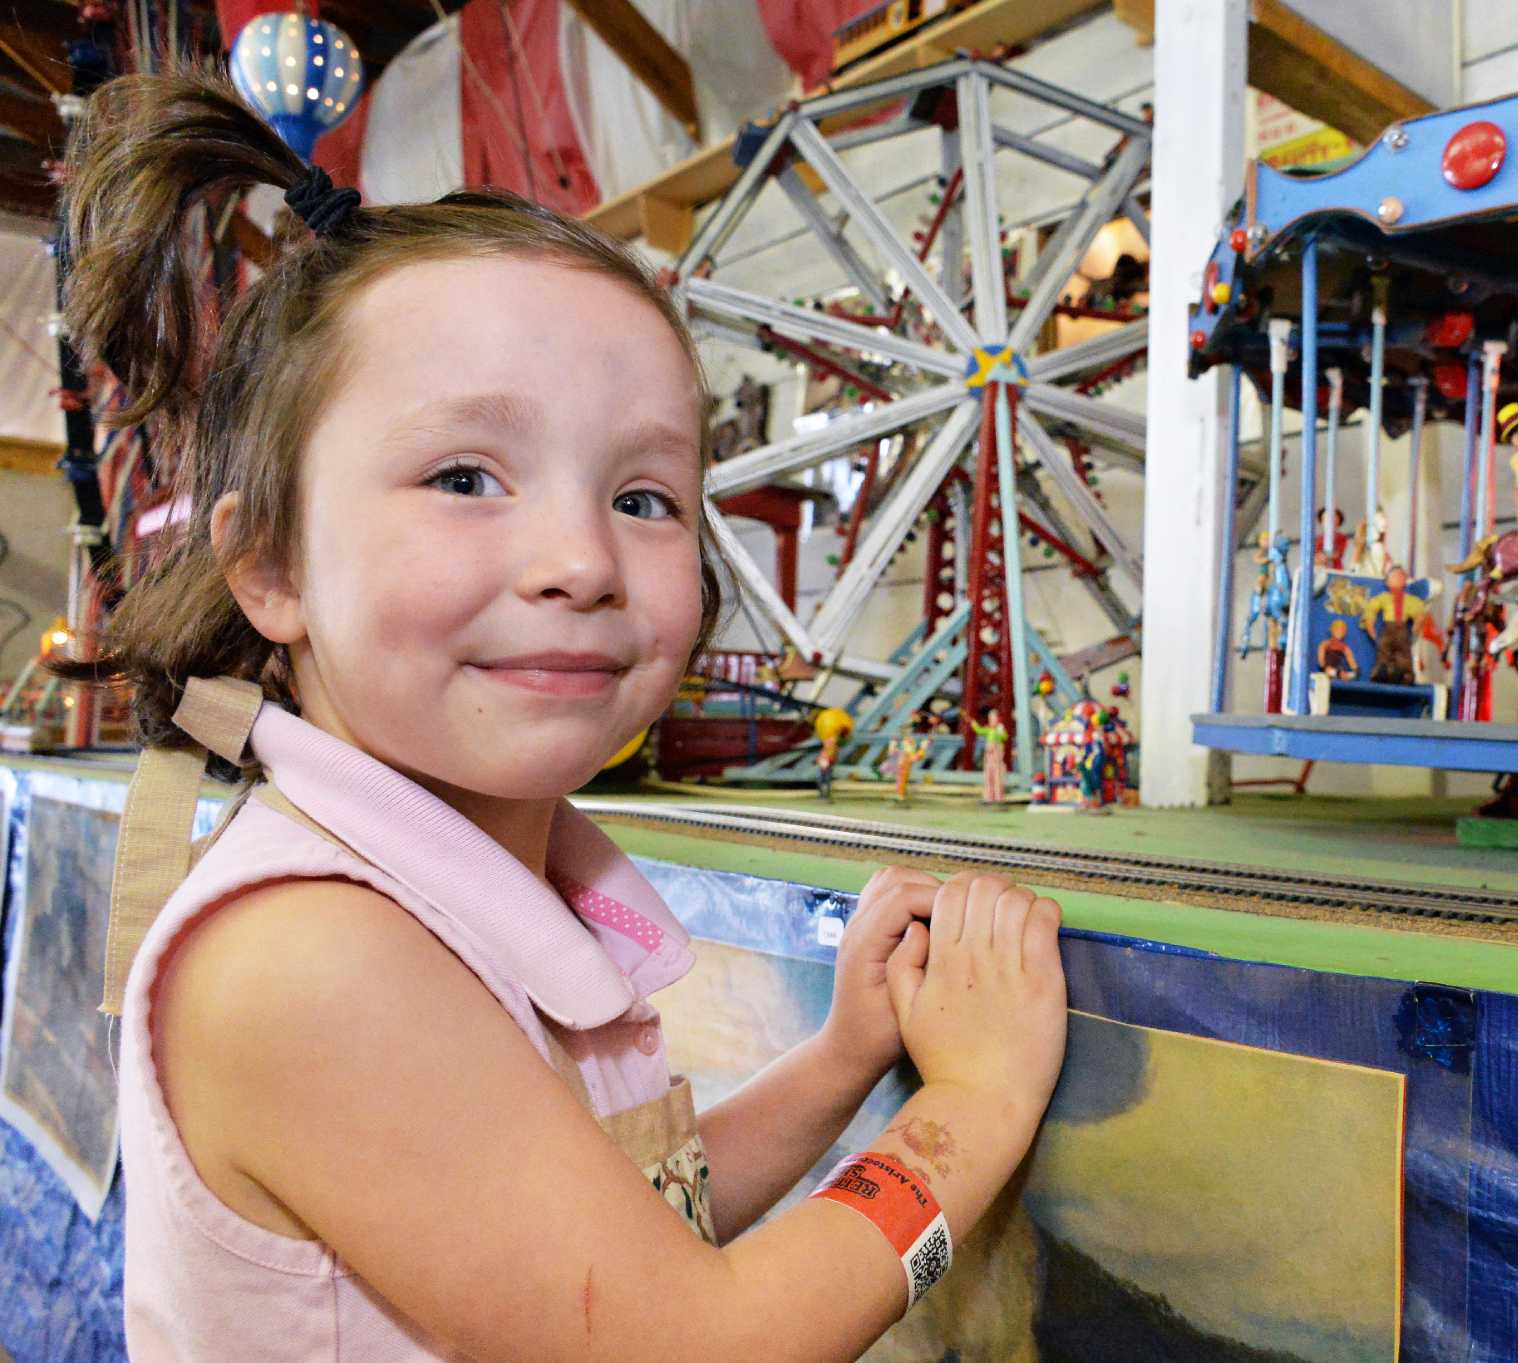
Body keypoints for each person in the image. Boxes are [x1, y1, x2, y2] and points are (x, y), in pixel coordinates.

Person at [55, 67, 1068, 1362]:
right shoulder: (314, 960)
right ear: (273, 568)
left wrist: (839, 1060)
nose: (581, 560)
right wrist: (975, 1108)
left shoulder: (455, 888)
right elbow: (693, 1341)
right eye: (467, 476)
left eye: (644, 496)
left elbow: (605, 1228)